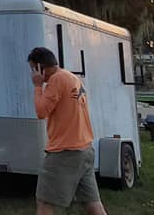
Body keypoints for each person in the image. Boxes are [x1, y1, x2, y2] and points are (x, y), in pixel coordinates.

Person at [29, 46, 106, 215]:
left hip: (64, 152)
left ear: (41, 67)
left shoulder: (56, 80)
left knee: (44, 201)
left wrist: (37, 86)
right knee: (92, 203)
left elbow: (41, 112)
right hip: (85, 150)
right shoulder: (72, 78)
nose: (32, 73)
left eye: (33, 69)